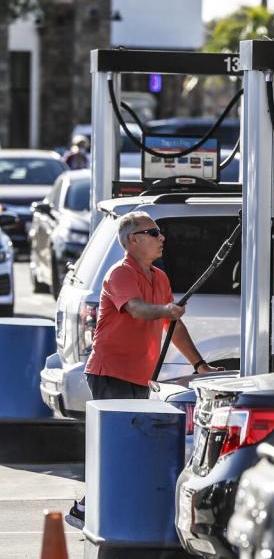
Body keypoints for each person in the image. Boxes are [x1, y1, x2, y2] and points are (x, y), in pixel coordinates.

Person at [65, 211, 222, 529]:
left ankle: (93, 508)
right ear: (132, 240)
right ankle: (89, 510)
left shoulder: (159, 277)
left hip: (138, 374)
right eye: (154, 232)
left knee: (127, 447)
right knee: (119, 446)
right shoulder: (120, 274)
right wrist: (166, 309)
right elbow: (137, 309)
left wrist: (198, 363)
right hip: (110, 372)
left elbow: (172, 325)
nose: (161, 237)